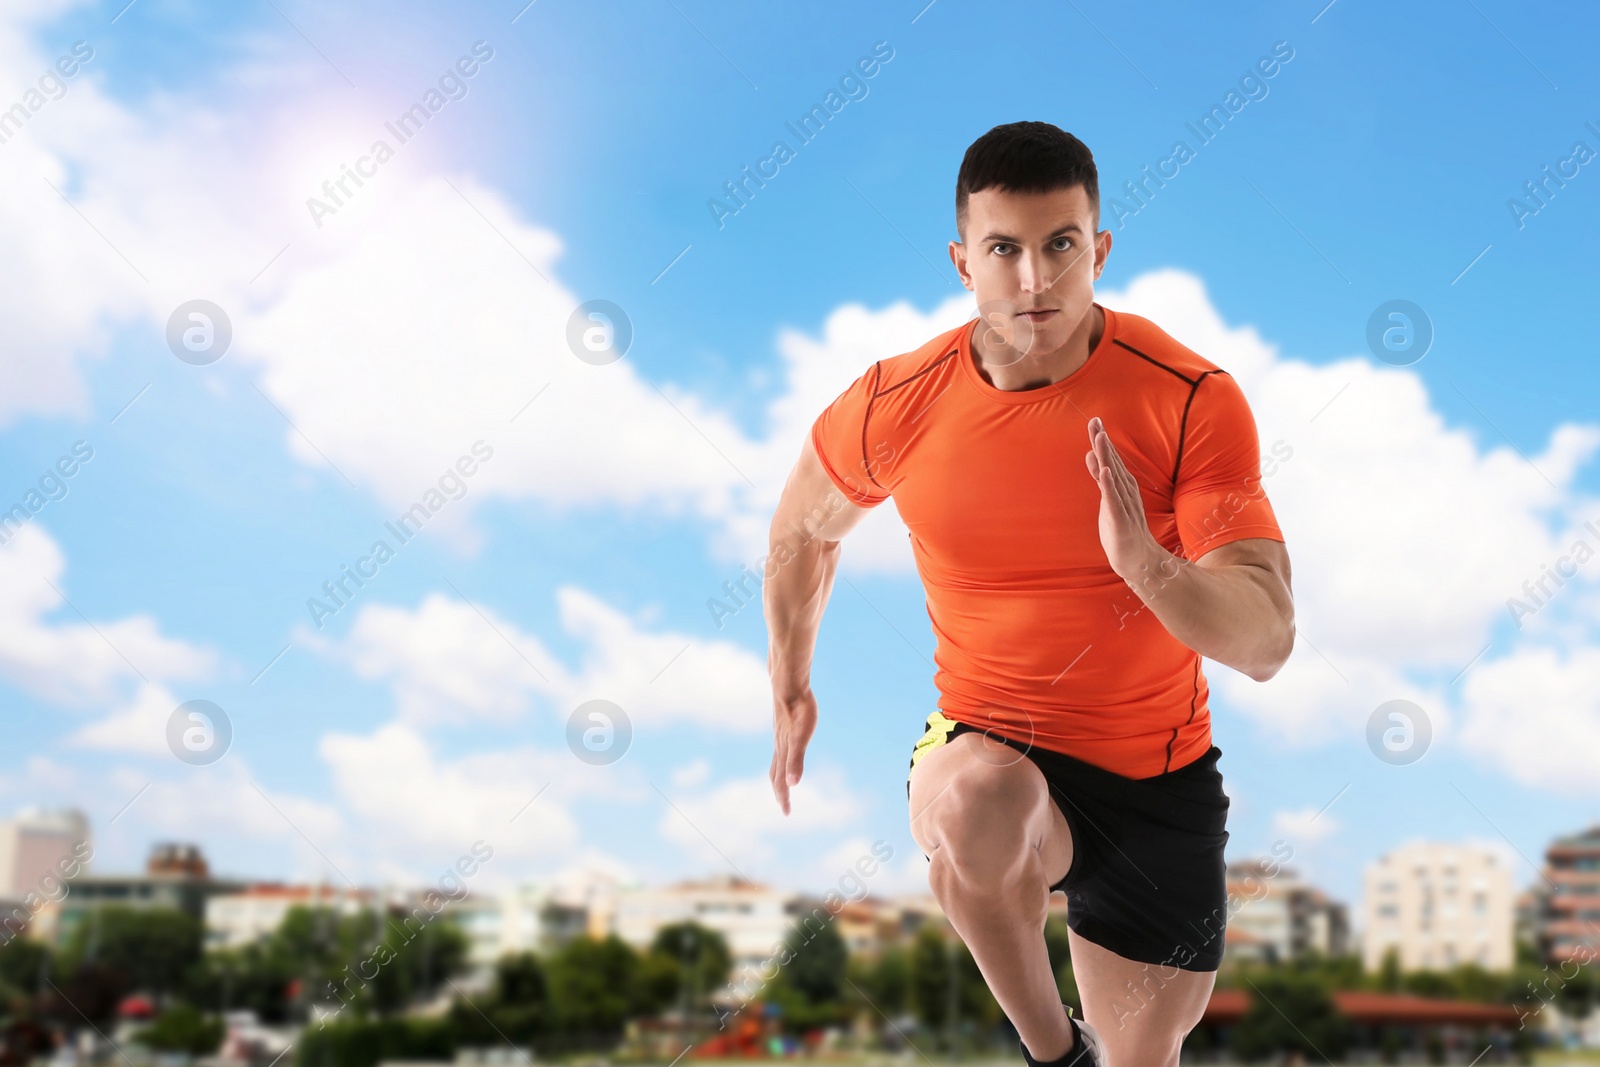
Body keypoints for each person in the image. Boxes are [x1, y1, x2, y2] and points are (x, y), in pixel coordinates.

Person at [762, 121, 1294, 1067]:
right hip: (989, 737)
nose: (1036, 281)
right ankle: (1055, 1054)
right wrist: (790, 681)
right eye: (1005, 249)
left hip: (1156, 778)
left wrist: (1150, 567)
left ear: (1101, 248)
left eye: (1061, 245)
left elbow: (1265, 640)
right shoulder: (898, 401)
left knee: (1149, 1057)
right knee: (976, 801)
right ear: (965, 261)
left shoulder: (1186, 396)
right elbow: (804, 527)